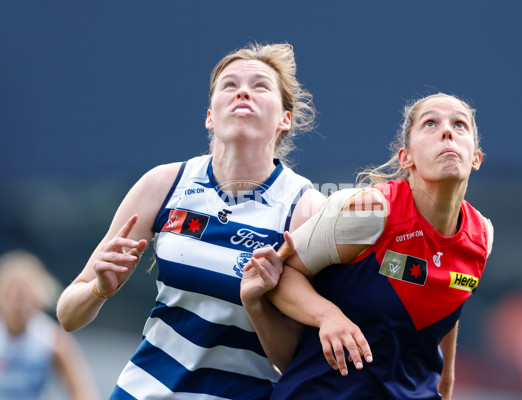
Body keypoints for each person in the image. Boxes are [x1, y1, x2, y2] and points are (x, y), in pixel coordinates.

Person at [56, 42, 325, 400]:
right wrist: (98, 289)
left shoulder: (305, 210)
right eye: (229, 85)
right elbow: (68, 317)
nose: (243, 91)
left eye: (260, 85)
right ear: (210, 116)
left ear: (284, 120)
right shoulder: (164, 183)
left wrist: (258, 304)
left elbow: (298, 361)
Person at [249, 93, 494, 399]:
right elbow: (279, 274)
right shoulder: (370, 209)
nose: (447, 132)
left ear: (476, 158)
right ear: (407, 157)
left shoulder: (482, 234)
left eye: (460, 125)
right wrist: (327, 316)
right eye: (430, 123)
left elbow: (445, 295)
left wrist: (446, 384)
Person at [0, 250, 100, 400]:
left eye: (23, 298)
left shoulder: (51, 338)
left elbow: (82, 392)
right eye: (12, 296)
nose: (17, 307)